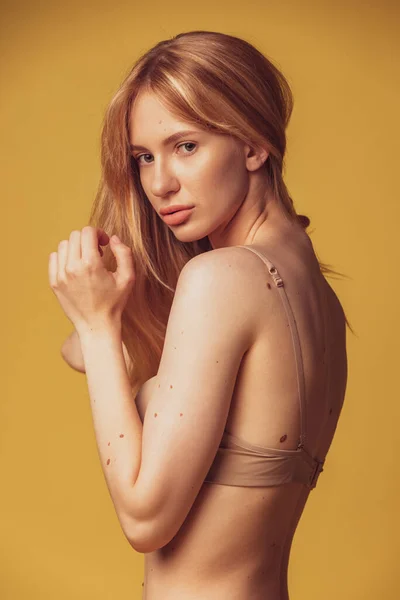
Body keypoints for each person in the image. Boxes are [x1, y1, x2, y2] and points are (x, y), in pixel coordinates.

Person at [60, 30, 351, 600]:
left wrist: (97, 325)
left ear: (252, 145)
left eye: (185, 146)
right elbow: (92, 356)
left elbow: (146, 520)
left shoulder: (222, 280)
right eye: (144, 158)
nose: (159, 184)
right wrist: (106, 317)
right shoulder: (316, 298)